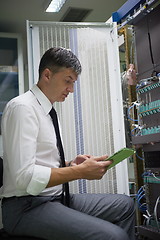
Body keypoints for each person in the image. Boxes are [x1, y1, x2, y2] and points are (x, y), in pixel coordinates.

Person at [1, 47, 135, 240]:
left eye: (73, 83)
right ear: (47, 75)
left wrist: (71, 165)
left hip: (55, 198)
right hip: (26, 207)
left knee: (125, 205)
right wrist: (80, 172)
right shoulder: (23, 108)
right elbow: (24, 177)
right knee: (114, 236)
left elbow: (40, 164)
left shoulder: (47, 111)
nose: (71, 89)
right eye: (68, 81)